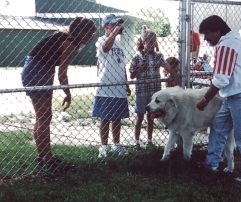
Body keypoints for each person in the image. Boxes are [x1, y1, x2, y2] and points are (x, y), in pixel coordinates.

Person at [196, 15, 241, 185]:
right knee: (218, 128)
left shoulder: (226, 45)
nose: (205, 38)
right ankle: (211, 164)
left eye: (207, 34)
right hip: (235, 94)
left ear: (218, 31)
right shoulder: (228, 43)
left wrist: (205, 99)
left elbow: (221, 79)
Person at [21, 17, 97, 167]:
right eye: (89, 35)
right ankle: (47, 158)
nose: (89, 39)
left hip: (33, 69)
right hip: (38, 71)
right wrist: (68, 94)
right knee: (44, 117)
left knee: (42, 116)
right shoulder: (69, 43)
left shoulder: (63, 37)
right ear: (81, 32)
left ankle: (43, 156)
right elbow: (62, 73)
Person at [129, 29, 178, 149]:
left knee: (151, 117)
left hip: (154, 93)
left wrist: (174, 76)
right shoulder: (137, 57)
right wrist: (139, 69)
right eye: (149, 42)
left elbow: (167, 66)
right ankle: (136, 141)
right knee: (139, 117)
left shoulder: (158, 56)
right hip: (142, 92)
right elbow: (132, 75)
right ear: (143, 42)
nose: (151, 45)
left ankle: (149, 141)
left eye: (154, 42)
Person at [93, 14, 131, 157]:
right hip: (106, 86)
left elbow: (122, 65)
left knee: (117, 119)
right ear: (106, 26)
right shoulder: (101, 40)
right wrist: (115, 32)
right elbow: (105, 48)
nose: (117, 27)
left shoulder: (119, 43)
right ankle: (103, 146)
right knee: (105, 118)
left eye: (118, 25)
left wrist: (126, 84)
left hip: (119, 86)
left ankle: (116, 144)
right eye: (113, 24)